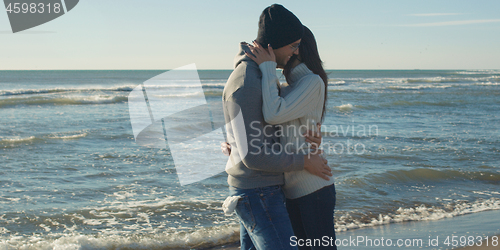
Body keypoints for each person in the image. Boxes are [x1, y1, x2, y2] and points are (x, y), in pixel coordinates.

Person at [222, 4, 332, 250]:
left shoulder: (264, 78)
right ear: (276, 44)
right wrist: (235, 144)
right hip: (259, 190)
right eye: (292, 46)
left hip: (273, 188)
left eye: (298, 47)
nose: (294, 53)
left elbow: (272, 119)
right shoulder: (251, 80)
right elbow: (257, 140)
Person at [245, 26, 337, 250]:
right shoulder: (290, 87)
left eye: (291, 45)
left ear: (297, 50)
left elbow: (274, 114)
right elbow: (269, 125)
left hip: (313, 188)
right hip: (292, 189)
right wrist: (236, 141)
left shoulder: (312, 82)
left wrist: (268, 68)